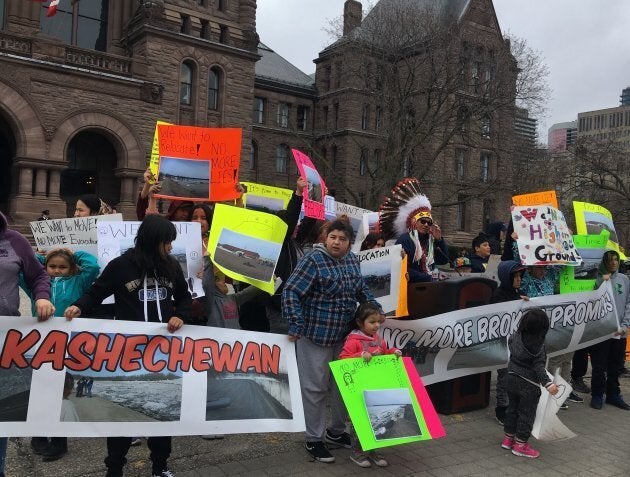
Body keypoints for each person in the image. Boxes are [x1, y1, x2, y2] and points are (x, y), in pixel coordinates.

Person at [64, 214, 192, 477]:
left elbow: (185, 298)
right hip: (128, 350)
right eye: (167, 241)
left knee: (162, 413)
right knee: (121, 418)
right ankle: (114, 467)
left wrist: (182, 315)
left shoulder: (171, 266)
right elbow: (96, 292)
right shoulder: (120, 265)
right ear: (153, 240)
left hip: (163, 351)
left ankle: (160, 466)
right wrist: (79, 306)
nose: (170, 247)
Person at [282, 219, 383, 463]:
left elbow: (361, 290)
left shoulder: (352, 260)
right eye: (333, 237)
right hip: (315, 335)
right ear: (325, 238)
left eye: (342, 238)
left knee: (344, 387)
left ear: (349, 243)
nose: (337, 242)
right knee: (315, 388)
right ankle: (313, 438)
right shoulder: (312, 260)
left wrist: (376, 309)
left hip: (345, 337)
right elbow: (291, 291)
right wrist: (295, 322)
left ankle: (336, 432)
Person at [0, 211, 54, 475]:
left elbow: (39, 276)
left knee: (1, 414)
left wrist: (42, 296)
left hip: (5, 341)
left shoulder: (14, 240)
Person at [339, 303, 401, 467]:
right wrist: (360, 354)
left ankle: (373, 450)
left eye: (378, 322)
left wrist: (393, 351)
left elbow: (385, 351)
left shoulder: (378, 339)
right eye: (372, 322)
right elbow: (343, 359)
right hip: (359, 390)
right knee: (360, 421)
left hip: (377, 387)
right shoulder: (353, 340)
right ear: (360, 323)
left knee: (378, 419)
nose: (377, 325)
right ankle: (358, 453)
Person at [501, 308, 559, 459]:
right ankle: (520, 445)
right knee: (526, 414)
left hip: (511, 378)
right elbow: (539, 368)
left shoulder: (514, 337)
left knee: (512, 409)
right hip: (529, 385)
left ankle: (508, 438)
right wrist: (548, 385)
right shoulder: (539, 347)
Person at [378, 179, 448, 282]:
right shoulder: (405, 239)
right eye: (423, 221)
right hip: (412, 288)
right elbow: (403, 268)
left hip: (430, 286)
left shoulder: (430, 241)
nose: (426, 225)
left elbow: (443, 260)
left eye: (429, 223)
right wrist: (428, 277)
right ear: (414, 222)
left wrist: (439, 240)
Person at [590, 250, 630, 410]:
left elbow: (628, 302)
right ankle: (597, 394)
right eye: (610, 260)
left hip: (619, 331)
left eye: (616, 260)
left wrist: (625, 324)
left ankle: (613, 394)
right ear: (604, 263)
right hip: (602, 331)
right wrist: (601, 282)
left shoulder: (624, 280)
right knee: (599, 365)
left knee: (616, 364)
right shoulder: (598, 280)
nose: (614, 263)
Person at [490, 260, 527, 425]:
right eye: (515, 276)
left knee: (516, 375)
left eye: (520, 276)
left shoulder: (519, 293)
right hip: (502, 343)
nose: (519, 279)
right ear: (507, 277)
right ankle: (501, 408)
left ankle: (513, 405)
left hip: (516, 342)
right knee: (504, 376)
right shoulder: (498, 295)